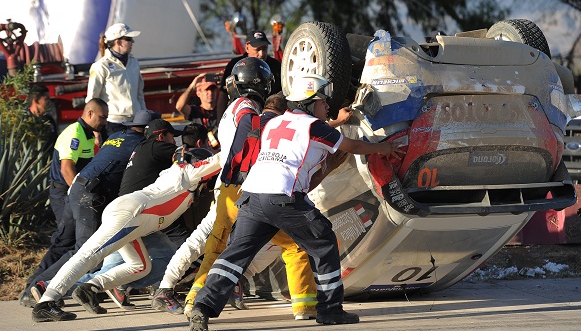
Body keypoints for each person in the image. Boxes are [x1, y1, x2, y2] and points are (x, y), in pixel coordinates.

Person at [189, 73, 404, 330]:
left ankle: (202, 306)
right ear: (310, 103)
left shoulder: (275, 122)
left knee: (235, 255)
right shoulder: (314, 126)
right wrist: (383, 149)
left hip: (251, 197)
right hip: (283, 197)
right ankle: (330, 310)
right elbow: (350, 145)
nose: (327, 107)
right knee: (324, 241)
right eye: (324, 102)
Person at [179, 58, 318, 320]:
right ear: (263, 84)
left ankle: (194, 301)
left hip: (226, 187)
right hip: (252, 188)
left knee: (217, 250)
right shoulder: (249, 109)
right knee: (294, 245)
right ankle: (305, 306)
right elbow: (250, 135)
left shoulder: (228, 111)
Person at [30, 148, 222, 323]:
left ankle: (91, 288)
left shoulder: (182, 179)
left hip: (133, 218)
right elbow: (220, 159)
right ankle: (46, 302)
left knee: (140, 266)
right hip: (131, 214)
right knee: (89, 255)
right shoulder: (187, 173)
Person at [150, 93, 288, 315]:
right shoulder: (248, 113)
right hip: (235, 186)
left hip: (233, 186)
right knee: (206, 242)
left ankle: (228, 282)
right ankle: (168, 288)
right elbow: (221, 159)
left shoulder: (232, 111)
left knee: (225, 243)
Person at [26, 110, 161, 308]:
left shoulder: (117, 136)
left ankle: (34, 287)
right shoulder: (141, 145)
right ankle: (42, 288)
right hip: (90, 195)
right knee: (86, 250)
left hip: (77, 188)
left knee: (66, 245)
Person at [20, 99, 108, 307]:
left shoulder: (87, 134)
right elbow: (67, 169)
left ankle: (37, 286)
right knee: (65, 243)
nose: (104, 121)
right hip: (65, 193)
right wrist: (78, 197)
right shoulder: (75, 133)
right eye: (101, 117)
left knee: (65, 243)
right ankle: (36, 287)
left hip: (71, 194)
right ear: (89, 114)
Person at [86, 23, 146, 137]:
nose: (133, 42)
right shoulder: (100, 66)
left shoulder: (134, 62)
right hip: (112, 125)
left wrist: (144, 116)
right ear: (118, 42)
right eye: (129, 39)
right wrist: (94, 129)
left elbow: (139, 94)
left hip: (136, 122)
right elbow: (93, 99)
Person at [215, 30, 282, 122]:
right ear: (247, 48)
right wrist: (219, 121)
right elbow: (223, 95)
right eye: (257, 49)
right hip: (241, 116)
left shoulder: (276, 65)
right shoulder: (234, 65)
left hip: (272, 118)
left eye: (264, 48)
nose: (262, 53)